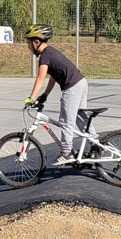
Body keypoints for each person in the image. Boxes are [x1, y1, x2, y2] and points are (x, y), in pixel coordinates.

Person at [23, 24, 88, 166]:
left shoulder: (45, 55)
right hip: (81, 82)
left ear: (36, 42)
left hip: (72, 87)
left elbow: (40, 78)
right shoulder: (50, 53)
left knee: (66, 121)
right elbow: (53, 77)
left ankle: (67, 152)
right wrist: (45, 95)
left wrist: (31, 98)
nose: (28, 47)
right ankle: (97, 146)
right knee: (80, 118)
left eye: (28, 43)